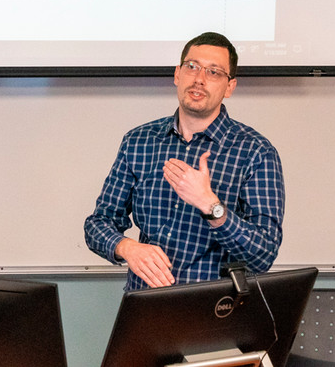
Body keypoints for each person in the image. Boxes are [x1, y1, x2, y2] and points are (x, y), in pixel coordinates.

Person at [83, 31, 284, 289]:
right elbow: (98, 224)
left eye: (214, 72)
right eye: (192, 67)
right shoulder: (139, 141)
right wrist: (127, 247)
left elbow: (263, 255)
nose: (199, 79)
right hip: (147, 305)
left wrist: (210, 205)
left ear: (230, 87)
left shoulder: (256, 152)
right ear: (177, 74)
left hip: (216, 310)